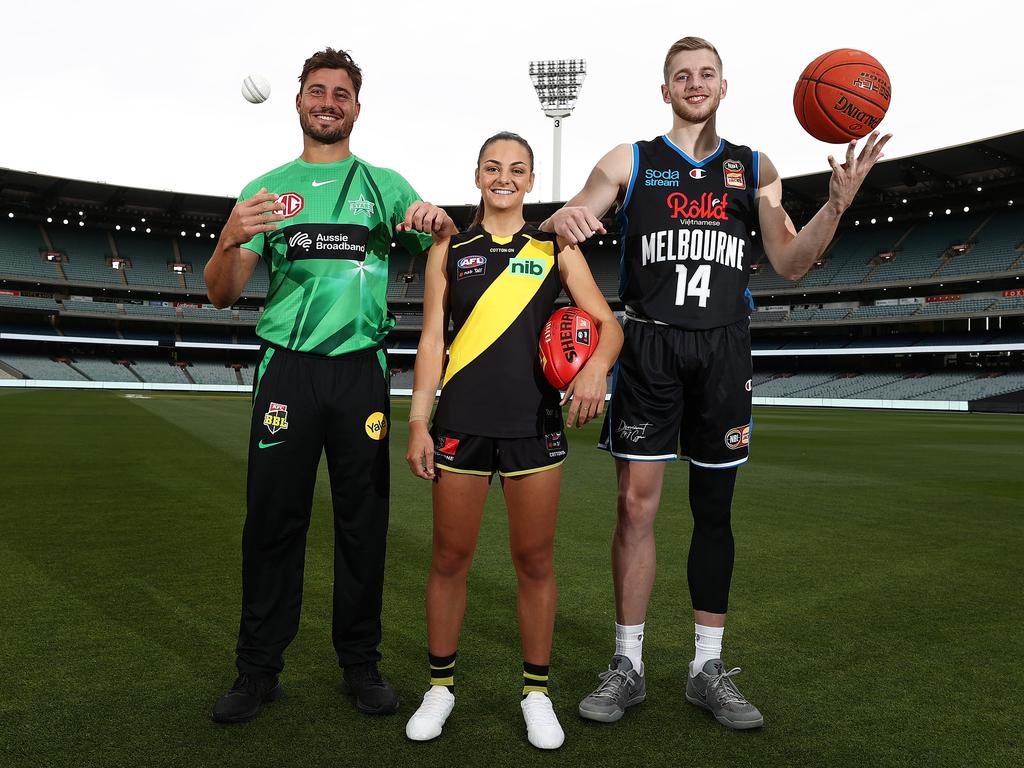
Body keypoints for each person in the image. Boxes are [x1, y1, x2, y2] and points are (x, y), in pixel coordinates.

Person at [542, 37, 890, 730]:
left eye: (706, 74)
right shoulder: (630, 159)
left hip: (725, 348)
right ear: (664, 90)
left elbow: (790, 261)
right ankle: (628, 664)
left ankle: (707, 667)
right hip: (649, 346)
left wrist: (838, 206)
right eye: (681, 76)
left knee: (714, 510)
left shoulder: (754, 168)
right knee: (636, 509)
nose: (694, 84)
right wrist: (564, 221)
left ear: (724, 88)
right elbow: (565, 220)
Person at [206, 47, 457, 724]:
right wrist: (230, 236)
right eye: (317, 91)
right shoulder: (266, 189)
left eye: (340, 93)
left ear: (355, 107)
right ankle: (257, 671)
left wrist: (437, 222)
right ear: (298, 103)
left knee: (362, 524)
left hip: (359, 371)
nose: (328, 102)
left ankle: (360, 665)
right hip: (286, 367)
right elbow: (223, 293)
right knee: (272, 522)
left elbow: (442, 245)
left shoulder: (386, 185)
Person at [402, 132, 623, 749]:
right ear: (477, 176)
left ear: (531, 181)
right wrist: (419, 422)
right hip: (461, 426)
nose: (504, 177)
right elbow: (430, 343)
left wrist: (597, 369)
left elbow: (607, 326)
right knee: (449, 560)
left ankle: (536, 692)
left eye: (517, 169)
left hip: (534, 427)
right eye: (493, 167)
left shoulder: (554, 246)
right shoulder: (450, 247)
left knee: (534, 562)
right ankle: (440, 687)